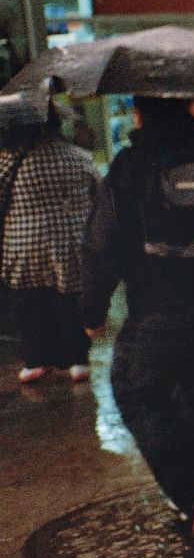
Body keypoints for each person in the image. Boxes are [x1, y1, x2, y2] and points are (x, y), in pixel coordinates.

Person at [80, 96, 194, 543]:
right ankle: (193, 505)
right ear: (187, 109)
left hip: (159, 304)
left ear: (140, 114)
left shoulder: (131, 166)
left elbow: (105, 245)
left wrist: (91, 307)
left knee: (135, 388)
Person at [1, 102, 100, 384]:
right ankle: (78, 361)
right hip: (72, 243)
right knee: (70, 301)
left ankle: (36, 361)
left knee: (29, 304)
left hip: (23, 246)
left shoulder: (7, 161)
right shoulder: (80, 157)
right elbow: (100, 195)